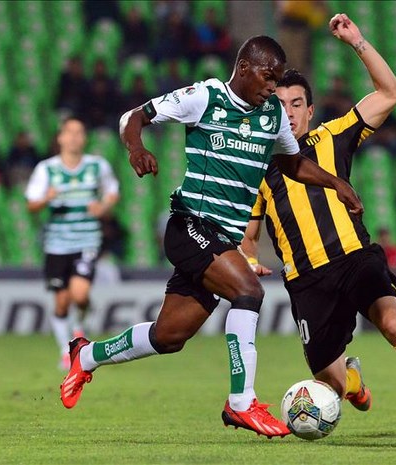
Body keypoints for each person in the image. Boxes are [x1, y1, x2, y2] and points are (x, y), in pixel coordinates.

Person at [59, 35, 363, 439]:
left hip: (221, 240)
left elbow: (291, 163)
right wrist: (135, 149)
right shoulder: (205, 98)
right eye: (268, 78)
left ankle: (87, 355)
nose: (272, 88)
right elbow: (132, 117)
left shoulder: (271, 113)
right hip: (191, 226)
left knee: (169, 335)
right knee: (249, 292)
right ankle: (241, 403)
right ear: (244, 68)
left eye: (276, 81)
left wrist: (335, 183)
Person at [242, 14, 396, 437]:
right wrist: (249, 258)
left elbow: (391, 93)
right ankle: (352, 381)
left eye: (296, 104)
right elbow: (250, 233)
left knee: (392, 323)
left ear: (310, 111)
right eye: (279, 105)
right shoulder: (257, 165)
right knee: (330, 381)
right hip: (307, 280)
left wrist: (358, 42)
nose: (288, 113)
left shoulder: (333, 136)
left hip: (354, 259)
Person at [25, 117, 119, 370]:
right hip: (56, 243)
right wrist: (46, 199)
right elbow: (31, 205)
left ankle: (80, 327)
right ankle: (64, 350)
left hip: (86, 239)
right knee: (61, 301)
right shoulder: (47, 169)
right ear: (61, 137)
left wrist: (103, 207)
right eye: (70, 132)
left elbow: (112, 191)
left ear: (84, 138)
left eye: (79, 132)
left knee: (79, 294)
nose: (74, 137)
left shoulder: (97, 166)